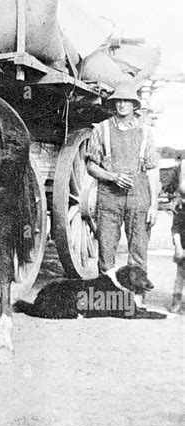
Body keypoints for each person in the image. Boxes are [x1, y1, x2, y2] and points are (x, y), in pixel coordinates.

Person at [86, 80, 160, 302]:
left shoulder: (146, 133)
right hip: (109, 198)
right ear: (114, 104)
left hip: (139, 197)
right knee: (106, 249)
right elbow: (91, 166)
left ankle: (136, 299)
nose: (122, 105)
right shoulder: (101, 130)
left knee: (138, 249)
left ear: (135, 105)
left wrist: (154, 204)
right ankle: (108, 298)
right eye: (118, 101)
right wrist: (112, 177)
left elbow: (153, 170)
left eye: (127, 101)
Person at [170, 159, 185, 314]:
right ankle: (176, 299)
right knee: (181, 272)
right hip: (184, 247)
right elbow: (175, 230)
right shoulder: (182, 211)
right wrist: (179, 247)